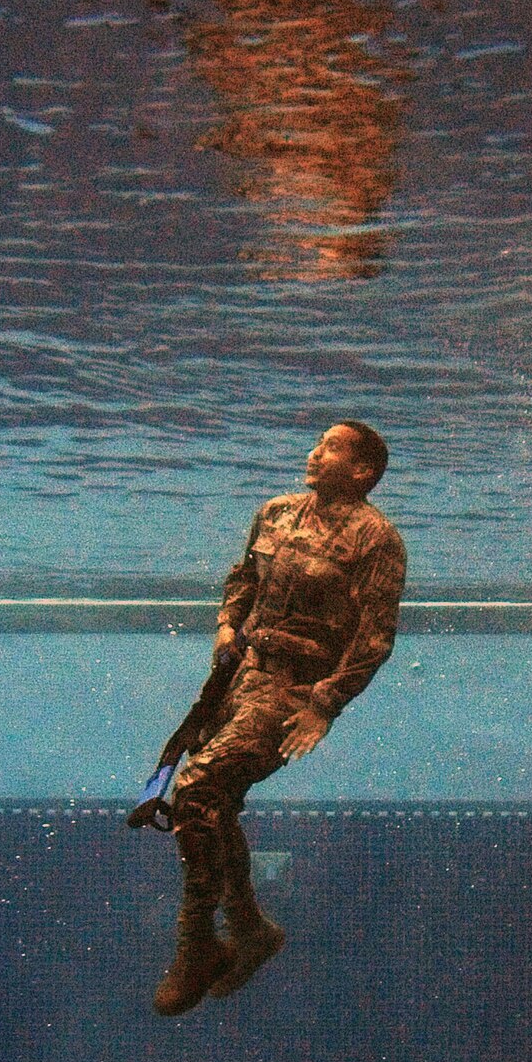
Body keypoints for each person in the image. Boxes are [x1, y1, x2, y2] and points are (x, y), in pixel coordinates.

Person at [153, 420, 406, 1016]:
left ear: (363, 470)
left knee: (195, 791)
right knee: (213, 804)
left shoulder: (378, 541)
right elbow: (243, 578)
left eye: (331, 448)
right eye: (317, 444)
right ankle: (250, 930)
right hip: (239, 677)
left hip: (293, 690)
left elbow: (375, 638)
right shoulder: (276, 512)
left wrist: (325, 703)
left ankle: (198, 945)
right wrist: (224, 628)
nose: (314, 454)